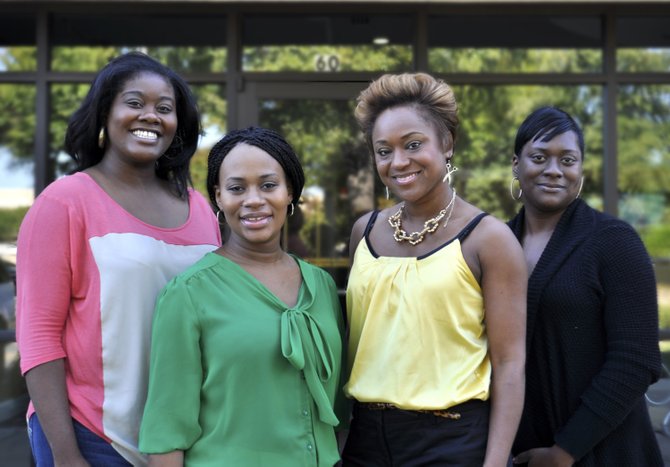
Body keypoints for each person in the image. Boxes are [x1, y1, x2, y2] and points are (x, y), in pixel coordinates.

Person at [15, 51, 221, 466]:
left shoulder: (200, 208)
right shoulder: (65, 202)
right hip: (90, 434)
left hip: (176, 438)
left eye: (165, 108)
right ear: (105, 112)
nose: (151, 116)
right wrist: (66, 454)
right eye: (134, 103)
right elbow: (38, 337)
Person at [342, 72, 527, 466]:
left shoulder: (489, 240)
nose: (398, 162)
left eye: (413, 144)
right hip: (365, 440)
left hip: (453, 440)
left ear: (446, 144)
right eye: (383, 150)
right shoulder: (364, 231)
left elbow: (510, 364)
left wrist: (495, 462)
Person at [139, 127, 346, 466]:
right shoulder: (188, 293)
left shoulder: (320, 285)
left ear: (289, 191)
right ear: (219, 197)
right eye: (237, 188)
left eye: (268, 185)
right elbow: (167, 429)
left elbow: (337, 405)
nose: (253, 200)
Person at [508, 106, 663, 467]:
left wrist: (565, 451)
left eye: (567, 159)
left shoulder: (613, 241)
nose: (553, 170)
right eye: (539, 157)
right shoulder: (497, 242)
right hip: (521, 451)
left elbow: (637, 361)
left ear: (581, 171)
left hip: (603, 450)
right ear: (516, 164)